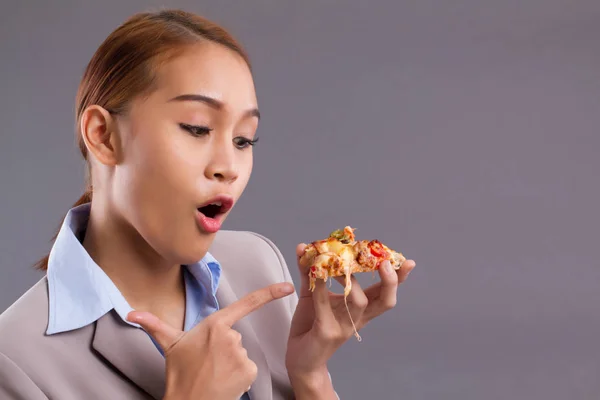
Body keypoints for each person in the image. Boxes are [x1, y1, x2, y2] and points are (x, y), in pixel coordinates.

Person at [0, 9, 416, 400]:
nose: (228, 167)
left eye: (243, 140)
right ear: (103, 136)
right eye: (197, 128)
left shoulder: (258, 264)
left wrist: (309, 376)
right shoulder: (14, 359)